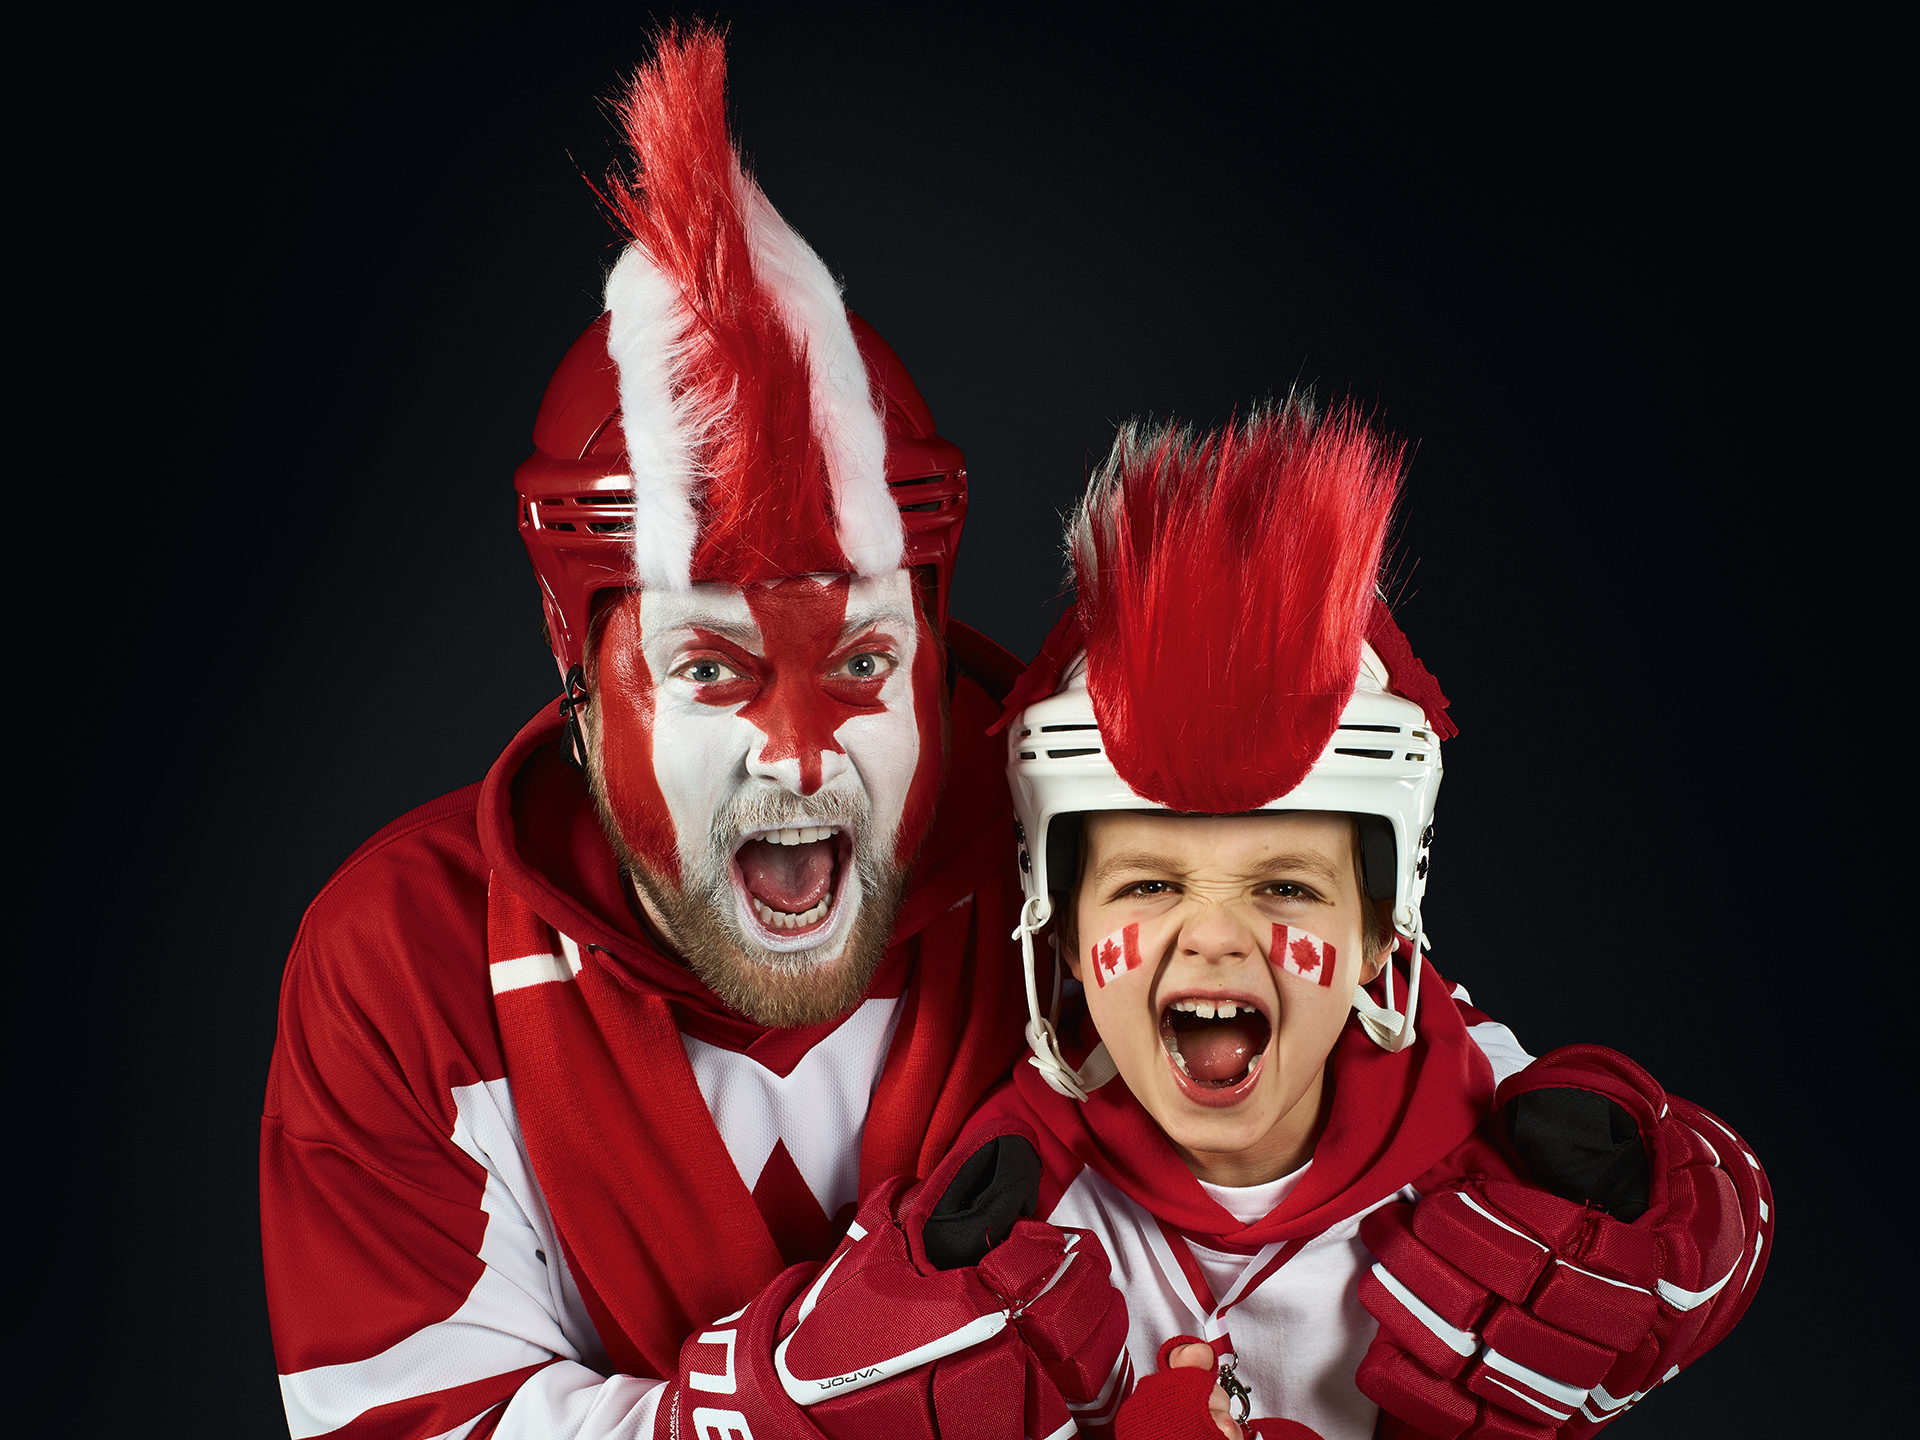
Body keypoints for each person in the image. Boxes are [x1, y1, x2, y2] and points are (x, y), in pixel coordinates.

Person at [260, 27, 1762, 1440]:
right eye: (712, 670)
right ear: (577, 674)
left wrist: (1675, 1205)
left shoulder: (1089, 827)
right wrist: (780, 1415)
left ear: (930, 631)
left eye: (858, 657)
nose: (796, 756)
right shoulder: (405, 969)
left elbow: (1390, 1027)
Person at [950, 402, 1772, 1438]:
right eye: (1150, 884)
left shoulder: (1491, 1127)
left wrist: (1670, 1216)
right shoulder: (996, 1201)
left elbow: (1703, 1234)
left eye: (1284, 887)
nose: (1213, 939)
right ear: (1060, 926)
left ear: (1384, 929)